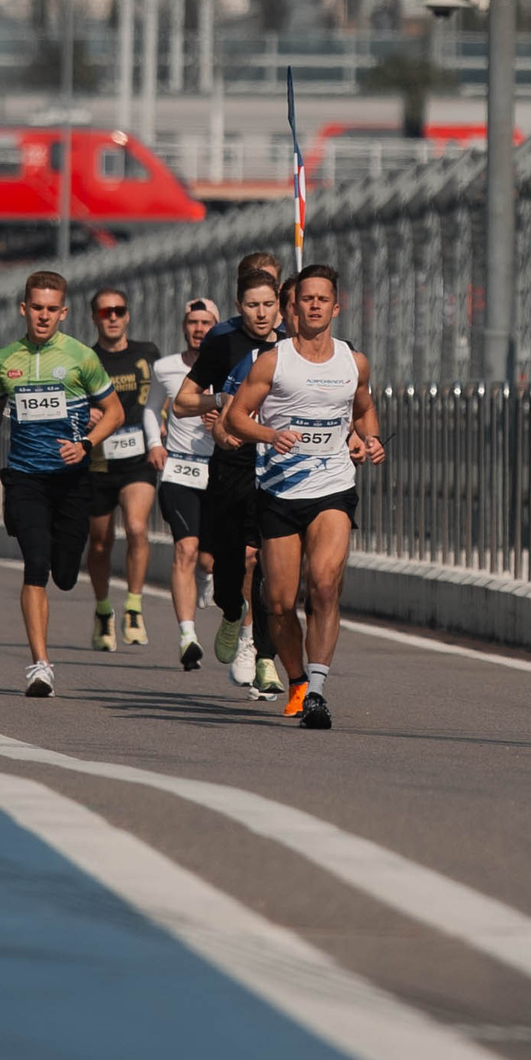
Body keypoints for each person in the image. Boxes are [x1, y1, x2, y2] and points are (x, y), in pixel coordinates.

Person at [225, 265, 384, 731]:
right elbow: (236, 417)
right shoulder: (273, 361)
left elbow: (364, 409)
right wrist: (269, 435)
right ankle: (296, 680)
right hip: (278, 492)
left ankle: (316, 690)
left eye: (322, 299)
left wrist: (370, 439)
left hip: (332, 486)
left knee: (325, 585)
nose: (314, 305)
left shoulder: (353, 362)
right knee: (278, 602)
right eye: (306, 299)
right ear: (293, 307)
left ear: (336, 308)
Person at [0, 270, 122, 697]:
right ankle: (40, 665)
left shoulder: (81, 358)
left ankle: (64, 572)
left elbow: (115, 412)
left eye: (52, 309)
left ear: (64, 313)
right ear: (24, 309)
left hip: (71, 480)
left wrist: (86, 444)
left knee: (65, 575)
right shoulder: (5, 359)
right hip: (25, 478)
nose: (43, 316)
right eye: (37, 307)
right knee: (35, 563)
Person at [171, 254, 289, 701]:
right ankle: (231, 610)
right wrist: (220, 403)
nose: (261, 314)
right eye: (252, 306)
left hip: (276, 466)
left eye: (268, 305)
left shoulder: (292, 345)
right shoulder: (222, 342)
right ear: (240, 306)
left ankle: (263, 656)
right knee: (227, 567)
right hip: (230, 465)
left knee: (264, 561)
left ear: (280, 305)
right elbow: (183, 402)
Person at [82, 286, 163, 653]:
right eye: (105, 312)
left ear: (128, 315)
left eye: (118, 310)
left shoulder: (147, 354)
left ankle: (133, 607)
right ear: (94, 318)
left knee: (136, 527)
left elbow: (162, 395)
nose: (112, 317)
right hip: (99, 462)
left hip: (137, 460)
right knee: (100, 543)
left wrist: (161, 424)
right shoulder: (85, 359)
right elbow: (70, 400)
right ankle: (103, 610)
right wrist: (84, 413)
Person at [153, 298, 221, 670]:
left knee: (208, 560)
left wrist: (221, 424)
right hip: (178, 470)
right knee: (186, 548)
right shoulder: (166, 367)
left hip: (218, 471)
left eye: (206, 322)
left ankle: (206, 574)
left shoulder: (230, 368)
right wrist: (154, 443)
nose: (199, 329)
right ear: (184, 327)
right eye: (193, 322)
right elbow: (152, 409)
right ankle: (187, 636)